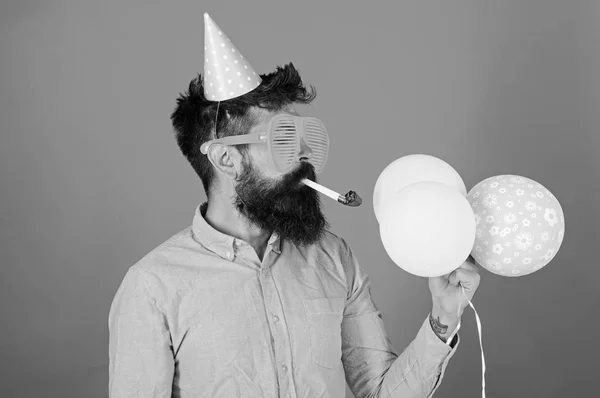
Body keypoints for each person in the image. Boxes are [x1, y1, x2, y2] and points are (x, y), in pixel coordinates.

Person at [108, 15, 480, 398]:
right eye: (284, 138)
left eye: (304, 136)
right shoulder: (152, 287)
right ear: (225, 159)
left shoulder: (333, 257)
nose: (304, 154)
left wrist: (444, 316)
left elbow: (381, 392)